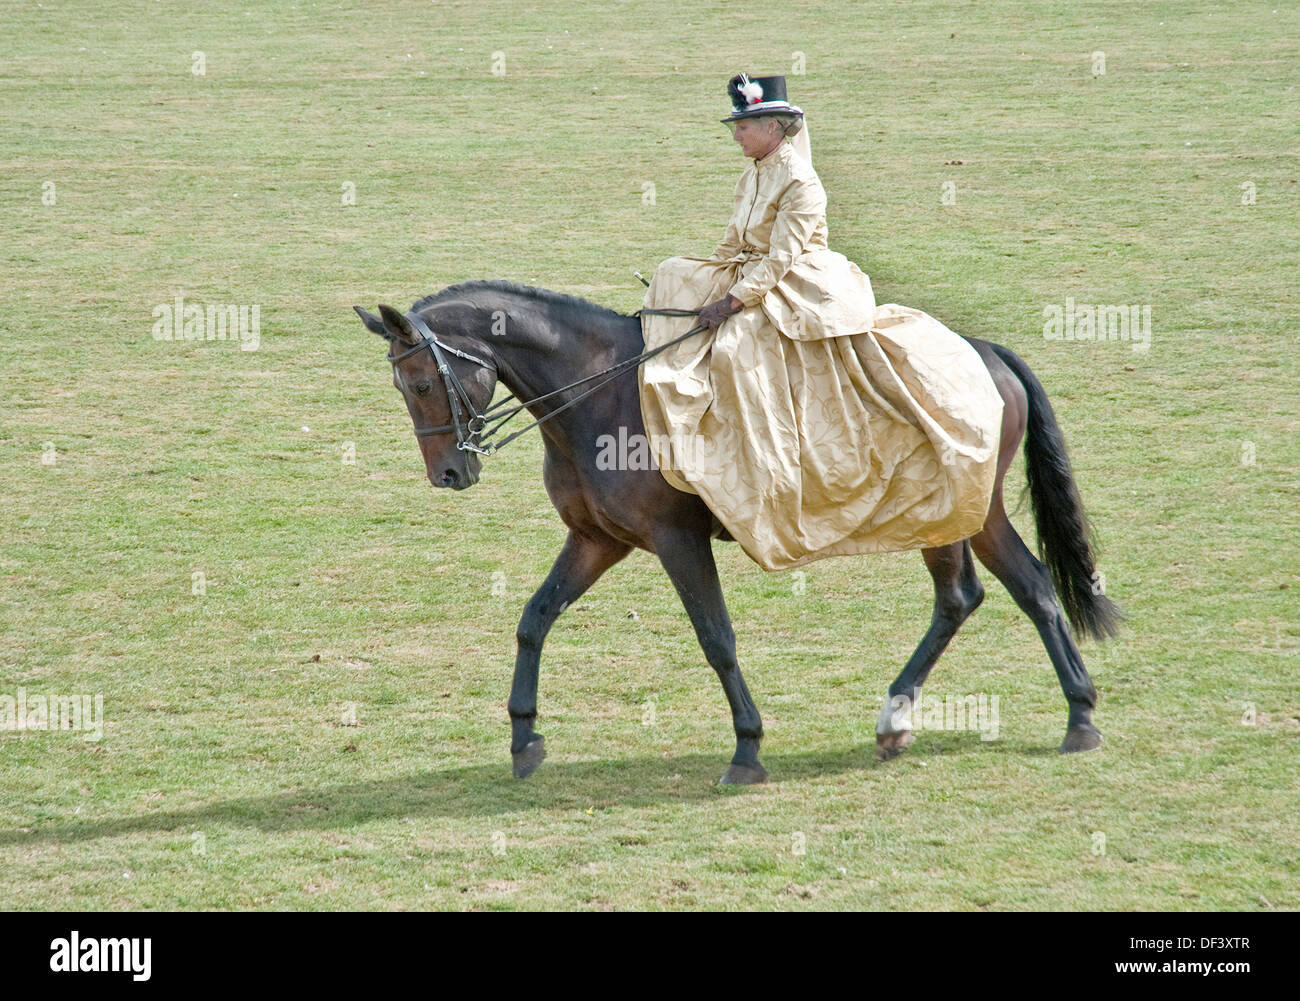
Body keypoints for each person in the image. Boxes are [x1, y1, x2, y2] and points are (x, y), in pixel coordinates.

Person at [638, 74, 1005, 571]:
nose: (735, 135)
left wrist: (732, 301)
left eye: (743, 126)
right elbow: (732, 243)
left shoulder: (800, 181)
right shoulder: (752, 172)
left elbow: (782, 258)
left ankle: (767, 467)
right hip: (753, 270)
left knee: (737, 343)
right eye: (735, 127)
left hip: (798, 281)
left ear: (774, 127)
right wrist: (706, 279)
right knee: (670, 272)